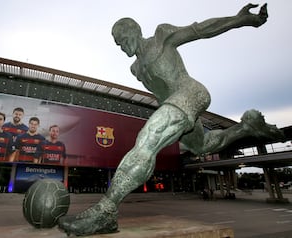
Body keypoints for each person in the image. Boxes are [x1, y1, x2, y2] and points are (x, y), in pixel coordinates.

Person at [59, 3, 285, 236]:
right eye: (118, 43)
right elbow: (161, 93)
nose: (121, 46)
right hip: (177, 104)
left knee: (148, 139)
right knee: (203, 145)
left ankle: (105, 211)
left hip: (191, 93)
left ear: (133, 30)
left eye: (122, 39)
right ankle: (246, 127)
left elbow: (200, 30)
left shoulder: (161, 36)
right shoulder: (136, 68)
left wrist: (240, 20)